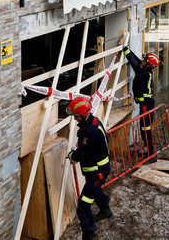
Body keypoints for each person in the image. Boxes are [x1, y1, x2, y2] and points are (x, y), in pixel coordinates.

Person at [66, 96, 112, 240]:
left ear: (83, 114)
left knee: (83, 207)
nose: (74, 119)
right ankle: (105, 210)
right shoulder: (93, 122)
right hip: (97, 170)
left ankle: (89, 233)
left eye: (76, 116)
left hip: (97, 172)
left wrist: (73, 155)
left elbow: (83, 153)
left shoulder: (90, 132)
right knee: (95, 191)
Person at [123, 46, 160, 161]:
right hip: (146, 104)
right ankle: (150, 152)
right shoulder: (146, 70)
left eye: (144, 60)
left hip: (146, 106)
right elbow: (137, 61)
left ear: (148, 64)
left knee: (145, 130)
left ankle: (151, 154)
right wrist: (126, 48)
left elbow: (134, 63)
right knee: (144, 129)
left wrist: (124, 50)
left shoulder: (143, 74)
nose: (142, 61)